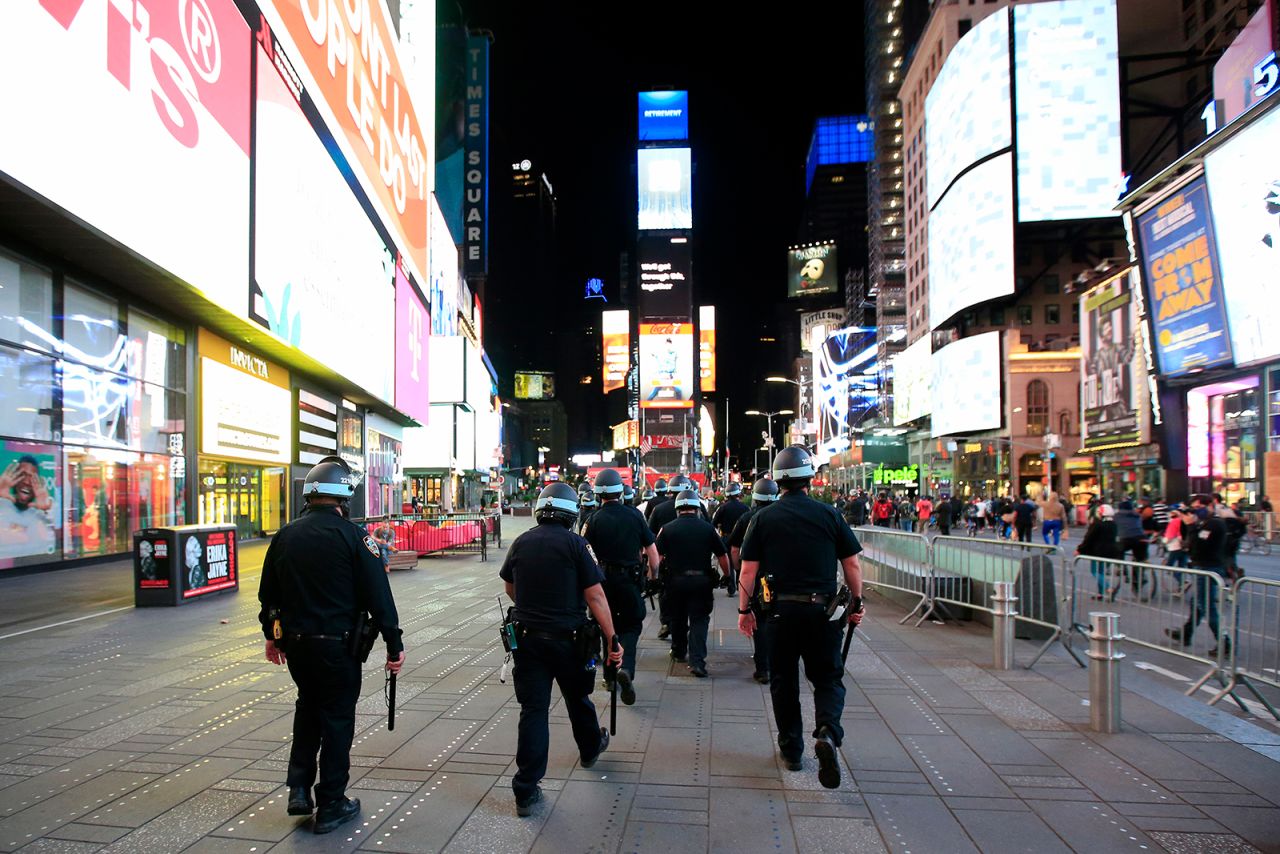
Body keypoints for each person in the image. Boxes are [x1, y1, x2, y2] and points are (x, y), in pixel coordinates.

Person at [257, 456, 404, 834]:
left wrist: (271, 638)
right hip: (339, 649)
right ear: (345, 498)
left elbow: (268, 596)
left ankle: (299, 789)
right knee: (337, 720)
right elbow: (379, 598)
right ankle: (332, 802)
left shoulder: (285, 535)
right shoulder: (357, 539)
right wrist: (393, 644)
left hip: (297, 648)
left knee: (307, 708)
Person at [738, 446, 865, 789]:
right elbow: (851, 563)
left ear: (778, 480)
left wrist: (744, 611)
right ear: (810, 477)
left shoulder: (762, 518)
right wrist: (856, 602)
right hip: (824, 614)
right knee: (827, 678)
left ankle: (792, 750)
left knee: (783, 681)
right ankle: (826, 730)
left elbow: (747, 571)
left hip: (778, 613)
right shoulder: (829, 515)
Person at [500, 482, 623, 817]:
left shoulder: (522, 541)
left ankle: (526, 790)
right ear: (571, 513)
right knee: (577, 699)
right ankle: (589, 748)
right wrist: (613, 638)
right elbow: (595, 596)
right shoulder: (577, 545)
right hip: (570, 641)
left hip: (527, 640)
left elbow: (511, 586)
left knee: (534, 711)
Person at [581, 469, 660, 703]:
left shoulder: (592, 520)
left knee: (607, 627)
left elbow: (583, 555)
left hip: (602, 584)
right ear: (620, 491)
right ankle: (626, 669)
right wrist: (653, 577)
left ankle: (610, 677)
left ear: (597, 494)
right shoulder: (635, 516)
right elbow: (653, 554)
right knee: (631, 626)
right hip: (629, 581)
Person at [656, 489, 730, 677]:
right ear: (697, 508)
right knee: (699, 620)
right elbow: (722, 555)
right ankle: (697, 662)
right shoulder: (707, 528)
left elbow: (656, 557)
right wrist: (727, 576)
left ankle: (679, 651)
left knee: (678, 618)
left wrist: (653, 577)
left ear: (677, 509)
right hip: (701, 581)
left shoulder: (667, 528)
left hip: (675, 581)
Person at [726, 477, 780, 683]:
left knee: (761, 621)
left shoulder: (748, 518)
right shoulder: (784, 516)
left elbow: (734, 548)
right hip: (785, 578)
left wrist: (738, 569)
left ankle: (763, 668)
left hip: (759, 579)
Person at [1165, 506, 1230, 657]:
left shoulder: (1213, 524)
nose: (1192, 512)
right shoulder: (1207, 524)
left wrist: (1191, 526)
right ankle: (1186, 633)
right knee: (1198, 603)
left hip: (1207, 568)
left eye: (1196, 507)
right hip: (1206, 566)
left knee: (1206, 606)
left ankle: (1224, 642)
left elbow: (1197, 546)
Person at [0, 455, 55, 557]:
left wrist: (46, 512)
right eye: (23, 475)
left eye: (32, 477)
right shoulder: (3, 506)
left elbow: (51, 542)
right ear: (14, 478)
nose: (26, 482)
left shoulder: (38, 515)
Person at [712, 482, 750, 597]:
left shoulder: (722, 508)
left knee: (729, 563)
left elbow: (713, 523)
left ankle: (731, 586)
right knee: (743, 561)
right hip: (743, 538)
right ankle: (743, 584)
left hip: (727, 537)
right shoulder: (745, 507)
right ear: (738, 494)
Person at [1076, 503, 1120, 599]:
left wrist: (1080, 549)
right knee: (1101, 572)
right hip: (1111, 552)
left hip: (1098, 552)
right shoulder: (1114, 525)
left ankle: (1108, 588)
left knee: (1095, 571)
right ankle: (1100, 593)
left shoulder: (1097, 524)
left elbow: (1088, 538)